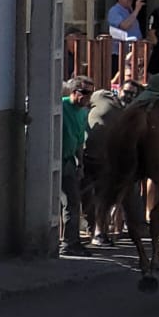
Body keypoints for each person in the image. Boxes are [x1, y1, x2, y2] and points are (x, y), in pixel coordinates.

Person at [61, 78, 93, 253]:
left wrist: (80, 164)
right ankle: (68, 242)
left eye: (91, 93)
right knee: (67, 203)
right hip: (54, 159)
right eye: (85, 93)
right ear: (75, 92)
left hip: (68, 161)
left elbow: (80, 140)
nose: (88, 97)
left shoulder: (83, 113)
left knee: (73, 202)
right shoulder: (60, 106)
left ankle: (71, 242)